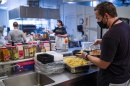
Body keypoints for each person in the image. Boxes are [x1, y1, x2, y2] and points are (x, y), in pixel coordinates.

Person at [77, 1, 130, 86]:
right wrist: (103, 41)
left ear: (106, 15)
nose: (98, 21)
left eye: (98, 18)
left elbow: (103, 64)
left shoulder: (110, 35)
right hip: (125, 77)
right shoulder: (126, 26)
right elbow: (122, 42)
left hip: (112, 81)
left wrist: (86, 56)